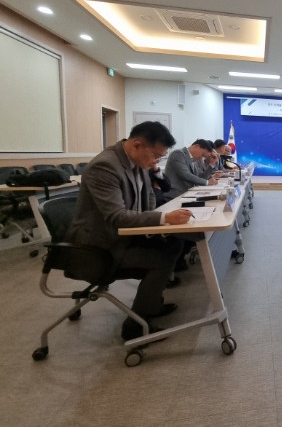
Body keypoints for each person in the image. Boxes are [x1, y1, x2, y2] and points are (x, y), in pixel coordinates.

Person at [65, 121, 192, 340]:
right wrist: (164, 218)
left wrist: (156, 223)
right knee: (162, 256)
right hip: (98, 247)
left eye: (160, 157)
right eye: (156, 155)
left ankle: (151, 304)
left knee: (173, 243)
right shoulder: (105, 166)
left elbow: (149, 196)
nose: (156, 161)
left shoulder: (136, 161)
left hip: (123, 236)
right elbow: (116, 217)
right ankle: (135, 327)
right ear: (137, 145)